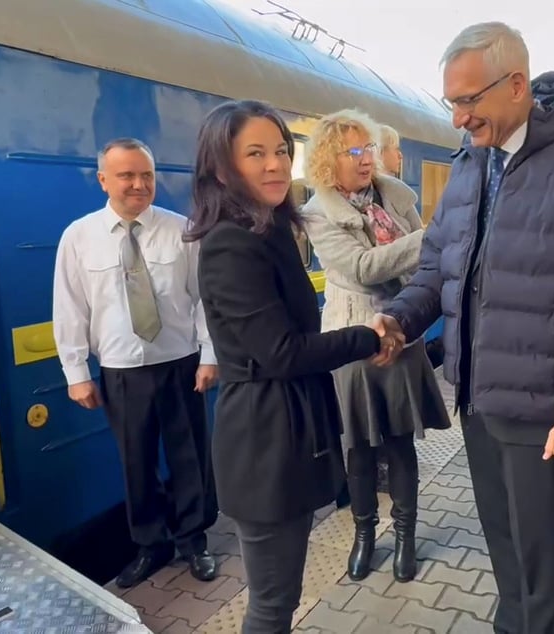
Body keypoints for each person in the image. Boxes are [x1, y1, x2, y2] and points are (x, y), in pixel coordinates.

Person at [373, 22, 554, 633]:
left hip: (542, 405)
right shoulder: (471, 164)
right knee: (502, 538)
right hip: (476, 394)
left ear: (517, 84)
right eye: (452, 103)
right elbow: (436, 269)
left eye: (468, 101)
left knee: (538, 551)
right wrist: (398, 320)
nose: (458, 119)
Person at [187, 99, 399, 633]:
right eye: (255, 153)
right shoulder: (230, 245)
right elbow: (281, 351)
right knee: (272, 604)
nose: (275, 164)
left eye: (281, 150)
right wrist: (364, 335)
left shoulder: (268, 229)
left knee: (282, 596)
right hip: (263, 440)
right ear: (222, 166)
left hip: (285, 430)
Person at [52, 138, 218, 588]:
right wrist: (76, 374)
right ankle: (151, 545)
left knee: (189, 457)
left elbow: (203, 299)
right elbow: (69, 308)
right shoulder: (79, 237)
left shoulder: (181, 230)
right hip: (121, 371)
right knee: (135, 461)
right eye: (127, 175)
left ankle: (193, 541)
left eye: (146, 174)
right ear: (104, 179)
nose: (139, 184)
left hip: (181, 364)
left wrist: (209, 355)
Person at [301, 109, 451, 583]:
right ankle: (364, 535)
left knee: (400, 442)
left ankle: (405, 534)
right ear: (328, 159)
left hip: (401, 331)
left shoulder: (396, 197)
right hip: (351, 339)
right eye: (354, 151)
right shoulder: (316, 214)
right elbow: (362, 268)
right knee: (359, 448)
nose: (366, 159)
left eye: (369, 148)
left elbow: (426, 269)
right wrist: (432, 237)